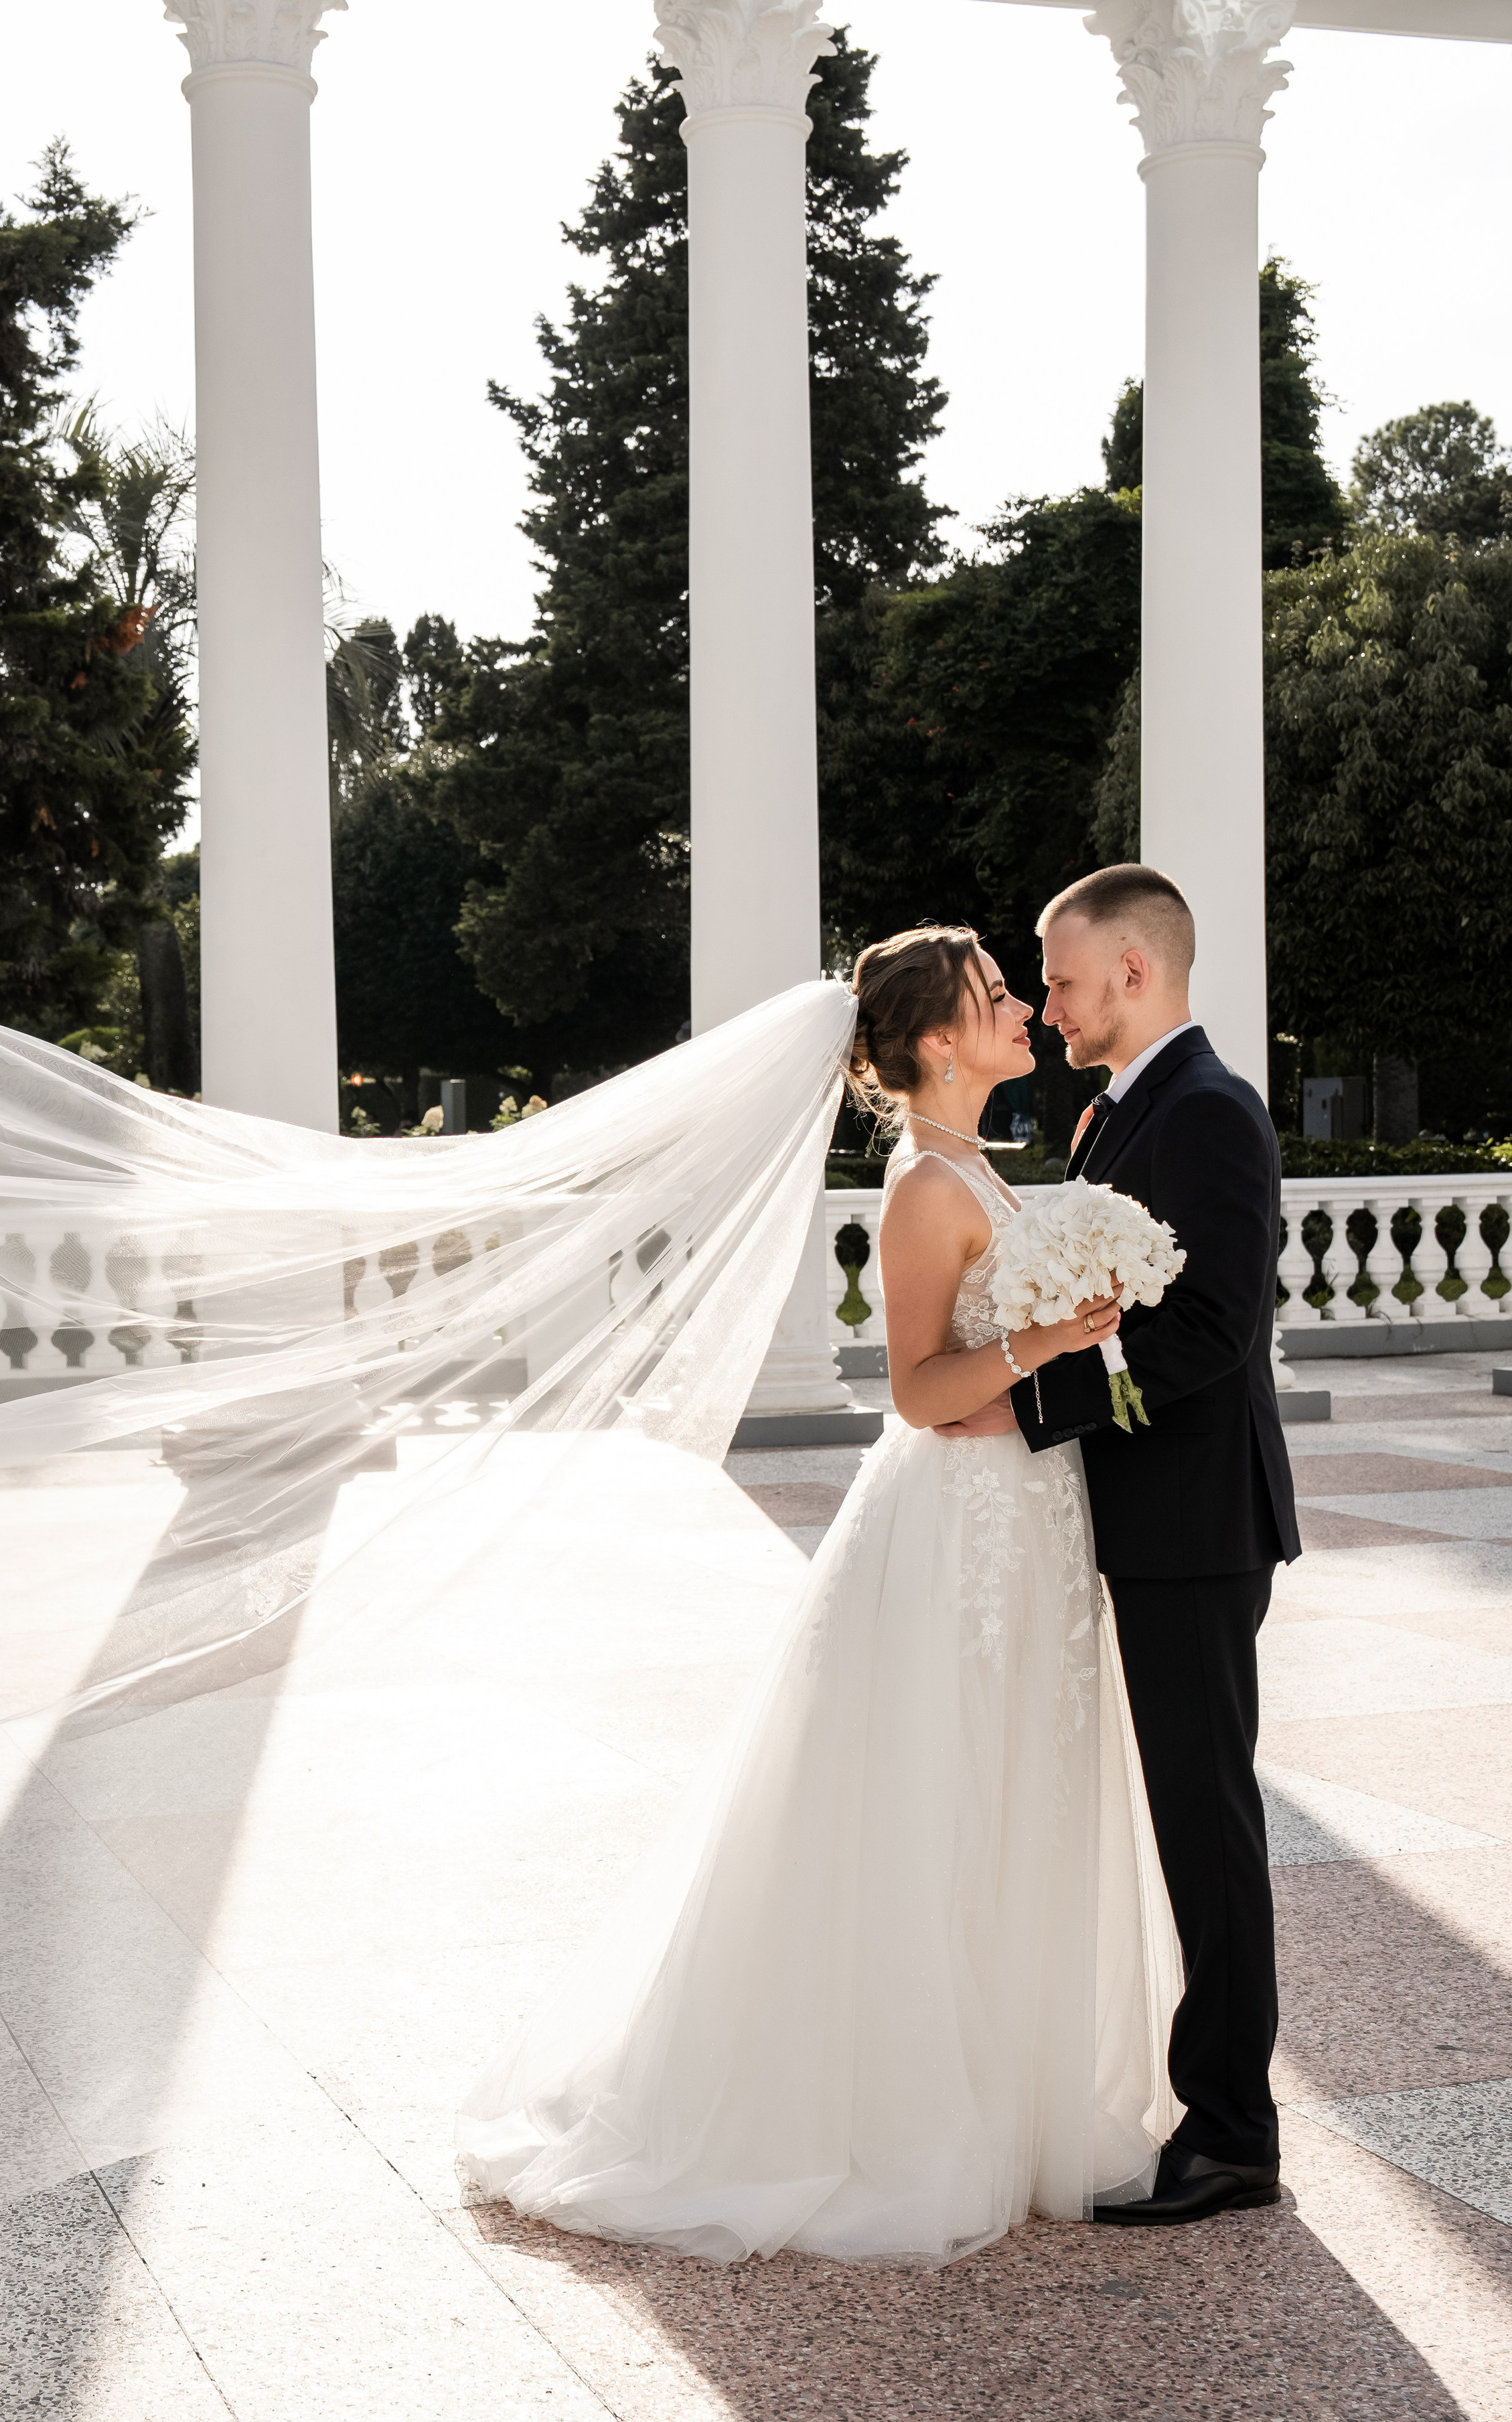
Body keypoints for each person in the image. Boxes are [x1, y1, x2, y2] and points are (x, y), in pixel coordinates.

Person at [455, 925, 1184, 2265]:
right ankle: (907, 2109)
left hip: (1021, 1514)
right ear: (928, 1043)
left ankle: (1007, 2092)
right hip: (956, 1526)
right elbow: (916, 1392)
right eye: (991, 997)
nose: (1021, 1007)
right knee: (936, 1793)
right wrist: (1053, 1338)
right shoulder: (923, 1185)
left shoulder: (979, 1163)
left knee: (1011, 1785)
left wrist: (1072, 1330)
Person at [1010, 864, 1299, 2227]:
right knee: (1191, 1814)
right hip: (1148, 1523)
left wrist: (1026, 1393)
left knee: (1205, 1822)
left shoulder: (1207, 1115)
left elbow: (1205, 1336)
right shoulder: (1116, 1114)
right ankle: (1217, 2113)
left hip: (1194, 1530)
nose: (1049, 1002)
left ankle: (1232, 2131)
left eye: (1061, 978)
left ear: (1132, 973)